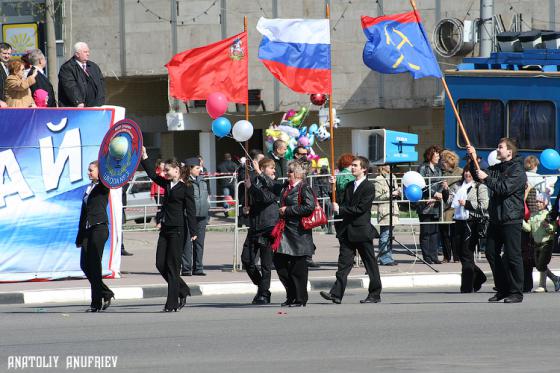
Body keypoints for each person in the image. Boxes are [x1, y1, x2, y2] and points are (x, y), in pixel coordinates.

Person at [467, 138, 526, 303]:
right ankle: (502, 289)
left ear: (510, 152)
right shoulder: (498, 168)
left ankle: (516, 292)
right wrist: (473, 158)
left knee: (513, 256)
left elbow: (504, 188)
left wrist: (486, 179)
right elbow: (479, 174)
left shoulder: (518, 170)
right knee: (491, 252)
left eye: (500, 147)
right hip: (496, 218)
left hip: (511, 218)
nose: (497, 150)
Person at [141, 147, 198, 312]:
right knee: (160, 263)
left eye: (167, 170)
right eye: (164, 170)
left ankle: (172, 304)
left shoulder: (187, 186)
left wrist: (193, 232)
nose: (164, 172)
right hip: (165, 229)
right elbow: (152, 175)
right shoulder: (166, 183)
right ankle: (182, 289)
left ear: (176, 170)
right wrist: (145, 157)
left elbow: (191, 210)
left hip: (179, 229)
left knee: (173, 267)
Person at [320, 156, 382, 304]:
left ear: (364, 169)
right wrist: (332, 188)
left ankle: (375, 294)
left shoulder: (368, 187)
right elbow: (340, 201)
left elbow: (361, 208)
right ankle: (336, 294)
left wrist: (341, 209)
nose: (352, 168)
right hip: (347, 231)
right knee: (343, 264)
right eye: (352, 165)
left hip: (361, 231)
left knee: (370, 264)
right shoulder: (349, 185)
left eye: (355, 166)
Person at [270, 161, 315, 307]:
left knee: (298, 268)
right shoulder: (286, 187)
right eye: (288, 171)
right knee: (280, 264)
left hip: (298, 233)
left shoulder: (304, 187)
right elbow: (271, 186)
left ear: (298, 173)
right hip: (284, 231)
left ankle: (300, 298)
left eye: (290, 171)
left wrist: (288, 210)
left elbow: (309, 207)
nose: (288, 174)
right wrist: (259, 173)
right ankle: (291, 295)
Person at [75, 161, 114, 312]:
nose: (88, 173)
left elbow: (106, 179)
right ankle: (105, 292)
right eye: (88, 170)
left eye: (91, 170)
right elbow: (83, 214)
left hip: (99, 228)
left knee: (95, 266)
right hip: (87, 230)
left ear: (100, 171)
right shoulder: (89, 188)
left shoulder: (103, 187)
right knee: (84, 265)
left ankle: (95, 303)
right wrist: (79, 237)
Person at [242, 158, 281, 304]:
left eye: (274, 168)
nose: (274, 171)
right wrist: (245, 210)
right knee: (246, 260)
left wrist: (252, 185)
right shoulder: (254, 181)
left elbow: (265, 197)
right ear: (264, 168)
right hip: (254, 226)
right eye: (271, 168)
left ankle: (264, 293)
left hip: (268, 227)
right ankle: (261, 286)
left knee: (266, 263)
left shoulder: (276, 185)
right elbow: (248, 200)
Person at [447, 166, 488, 293]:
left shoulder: (479, 187)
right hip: (458, 221)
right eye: (465, 172)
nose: (467, 174)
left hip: (472, 222)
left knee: (466, 253)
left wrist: (467, 204)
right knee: (459, 253)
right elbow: (450, 202)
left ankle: (467, 286)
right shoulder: (458, 186)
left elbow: (484, 205)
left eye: (470, 172)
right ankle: (479, 276)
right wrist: (444, 192)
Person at [523, 193, 560, 293]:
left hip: (547, 243)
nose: (538, 204)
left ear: (545, 203)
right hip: (536, 244)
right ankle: (555, 279)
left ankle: (542, 286)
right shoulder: (533, 215)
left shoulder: (548, 215)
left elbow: (553, 229)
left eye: (541, 202)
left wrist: (547, 226)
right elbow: (528, 228)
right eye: (537, 202)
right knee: (539, 264)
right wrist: (521, 222)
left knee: (541, 265)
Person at [182, 157, 210, 276]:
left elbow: (207, 196)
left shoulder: (203, 180)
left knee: (199, 243)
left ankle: (198, 268)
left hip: (202, 215)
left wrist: (208, 212)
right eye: (197, 168)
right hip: (189, 216)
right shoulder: (185, 182)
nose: (200, 169)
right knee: (187, 244)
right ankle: (186, 268)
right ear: (190, 168)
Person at [417, 145, 444, 264]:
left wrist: (437, 195)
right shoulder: (423, 168)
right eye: (436, 155)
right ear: (430, 156)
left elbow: (441, 184)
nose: (438, 158)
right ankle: (426, 256)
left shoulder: (438, 169)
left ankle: (434, 256)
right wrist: (433, 195)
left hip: (436, 204)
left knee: (434, 232)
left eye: (439, 155)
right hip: (425, 205)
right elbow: (422, 185)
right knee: (426, 232)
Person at [58, 41, 105, 107]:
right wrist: (79, 102)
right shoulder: (67, 68)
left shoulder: (93, 66)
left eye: (88, 52)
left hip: (95, 108)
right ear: (77, 54)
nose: (88, 54)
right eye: (85, 52)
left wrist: (100, 102)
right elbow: (70, 86)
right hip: (76, 109)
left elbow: (101, 84)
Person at [373, 165, 400, 266]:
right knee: (385, 235)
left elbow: (396, 192)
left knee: (390, 235)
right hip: (385, 210)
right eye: (388, 165)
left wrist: (399, 192)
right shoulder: (378, 179)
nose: (390, 167)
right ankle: (384, 258)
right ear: (383, 166)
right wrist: (391, 193)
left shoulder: (393, 177)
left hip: (394, 209)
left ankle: (389, 256)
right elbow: (377, 197)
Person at [440, 150, 463, 263]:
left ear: (450, 161)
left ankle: (457, 256)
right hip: (444, 208)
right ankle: (446, 256)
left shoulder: (460, 172)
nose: (441, 163)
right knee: (444, 233)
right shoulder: (441, 173)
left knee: (456, 234)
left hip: (456, 207)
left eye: (444, 161)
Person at [151, 160, 166, 228]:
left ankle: (161, 221)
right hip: (158, 193)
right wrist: (152, 194)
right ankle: (158, 222)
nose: (163, 166)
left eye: (164, 165)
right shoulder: (157, 172)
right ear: (159, 165)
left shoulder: (166, 172)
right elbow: (153, 184)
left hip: (165, 193)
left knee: (164, 208)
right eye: (162, 165)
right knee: (159, 208)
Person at [120, 182, 133, 256]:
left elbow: (123, 189)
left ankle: (121, 248)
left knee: (120, 228)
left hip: (120, 205)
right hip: (111, 205)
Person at [0, 42, 12, 108]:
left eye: (9, 54)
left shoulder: (9, 67)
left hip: (7, 104)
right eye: (4, 53)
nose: (7, 56)